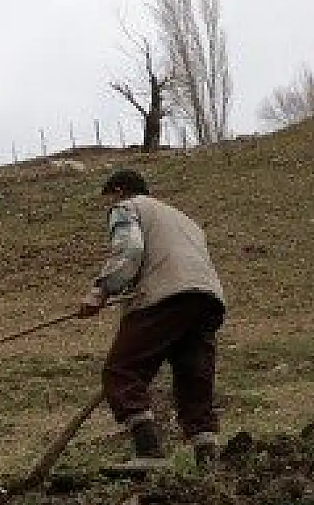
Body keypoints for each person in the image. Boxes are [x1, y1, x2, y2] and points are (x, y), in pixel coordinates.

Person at [77, 168, 226, 471]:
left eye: (107, 200)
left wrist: (101, 290)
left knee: (121, 371)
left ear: (118, 191)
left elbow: (129, 251)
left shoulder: (127, 208)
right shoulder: (186, 221)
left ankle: (149, 450)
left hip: (163, 296)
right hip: (207, 298)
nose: (107, 207)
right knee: (193, 377)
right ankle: (207, 457)